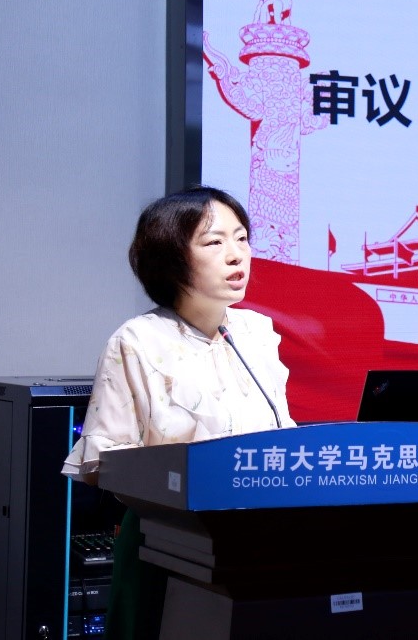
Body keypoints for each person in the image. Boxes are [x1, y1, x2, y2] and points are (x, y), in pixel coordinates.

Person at [63, 186, 295, 639]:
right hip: (165, 542)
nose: (236, 255)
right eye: (214, 242)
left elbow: (280, 432)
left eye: (242, 238)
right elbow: (108, 462)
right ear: (172, 259)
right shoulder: (137, 341)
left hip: (257, 540)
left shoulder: (257, 333)